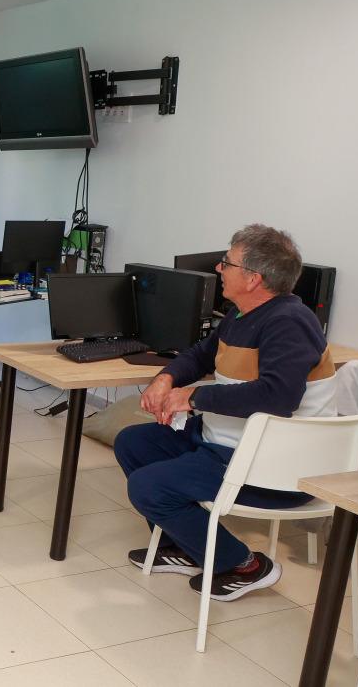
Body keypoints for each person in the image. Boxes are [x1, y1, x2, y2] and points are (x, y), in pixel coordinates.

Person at [116, 224, 334, 601]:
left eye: (226, 263)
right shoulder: (241, 315)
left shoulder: (289, 323)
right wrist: (166, 379)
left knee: (148, 486)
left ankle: (245, 564)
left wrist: (195, 398)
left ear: (254, 279)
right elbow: (201, 356)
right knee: (134, 442)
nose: (219, 270)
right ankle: (188, 544)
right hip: (229, 442)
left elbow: (278, 396)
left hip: (275, 466)